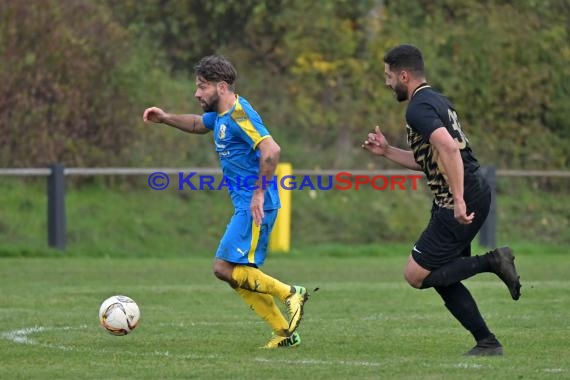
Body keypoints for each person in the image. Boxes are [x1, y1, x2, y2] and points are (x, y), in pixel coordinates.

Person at [362, 44, 521, 356]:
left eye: (388, 76)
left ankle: (492, 261)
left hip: (459, 197)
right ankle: (487, 342)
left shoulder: (417, 108)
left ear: (403, 75)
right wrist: (387, 151)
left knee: (416, 275)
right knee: (442, 275)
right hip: (464, 192)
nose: (387, 83)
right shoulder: (437, 101)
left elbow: (448, 149)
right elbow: (432, 158)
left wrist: (458, 200)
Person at [143, 55, 309, 349]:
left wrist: (258, 194)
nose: (197, 93)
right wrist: (166, 118)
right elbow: (198, 124)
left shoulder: (239, 114)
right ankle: (285, 334)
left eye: (202, 87)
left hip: (256, 205)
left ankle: (291, 293)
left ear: (221, 87)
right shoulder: (221, 116)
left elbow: (271, 150)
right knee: (236, 275)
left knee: (223, 268)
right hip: (246, 205)